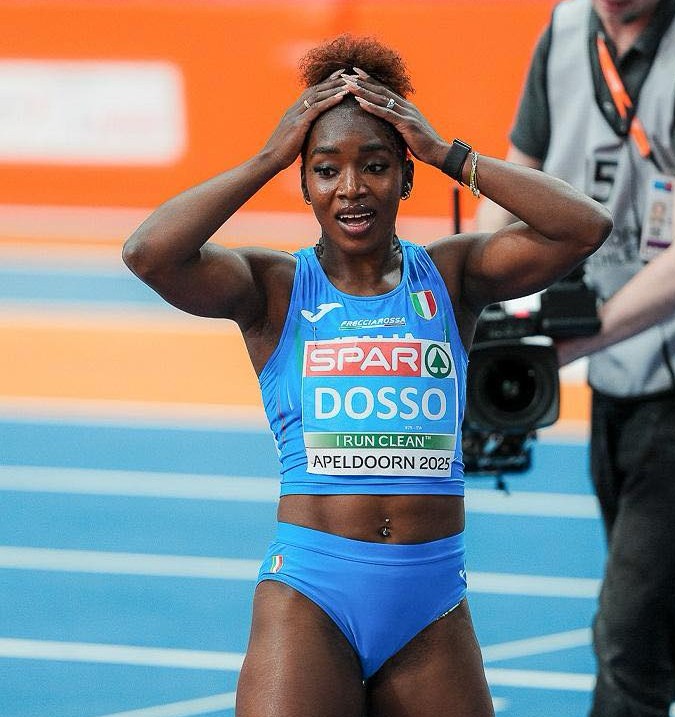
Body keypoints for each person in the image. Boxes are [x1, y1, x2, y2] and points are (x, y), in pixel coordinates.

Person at [122, 34, 611, 717]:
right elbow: (149, 253)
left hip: (432, 603)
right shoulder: (274, 288)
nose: (351, 189)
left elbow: (584, 227)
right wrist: (267, 157)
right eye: (325, 170)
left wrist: (449, 154)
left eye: (375, 166)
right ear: (305, 181)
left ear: (406, 175)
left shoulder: (451, 276)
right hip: (312, 597)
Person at [477, 0, 675, 715]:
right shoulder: (565, 32)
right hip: (623, 363)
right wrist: (468, 303)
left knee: (631, 639)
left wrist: (557, 350)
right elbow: (512, 185)